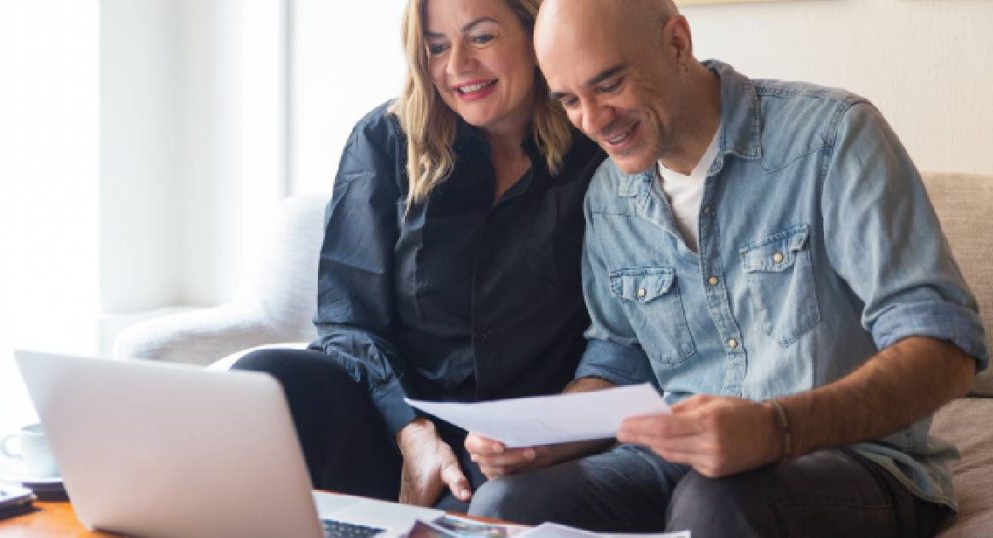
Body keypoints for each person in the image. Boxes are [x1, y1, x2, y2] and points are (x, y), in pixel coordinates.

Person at [465, 0, 989, 535]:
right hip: (682, 465)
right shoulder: (608, 197)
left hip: (854, 461)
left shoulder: (832, 138)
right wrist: (548, 435)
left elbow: (946, 347)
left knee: (715, 503)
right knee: (503, 504)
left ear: (676, 43)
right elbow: (620, 359)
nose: (594, 121)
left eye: (610, 84)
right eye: (570, 101)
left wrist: (776, 429)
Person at [231, 0, 604, 512]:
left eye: (481, 37)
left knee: (481, 505)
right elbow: (348, 321)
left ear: (535, 33)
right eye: (436, 47)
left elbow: (614, 334)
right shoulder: (383, 140)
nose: (457, 67)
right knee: (264, 376)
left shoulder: (596, 153)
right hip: (391, 417)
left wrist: (551, 431)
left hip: (514, 438)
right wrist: (412, 431)